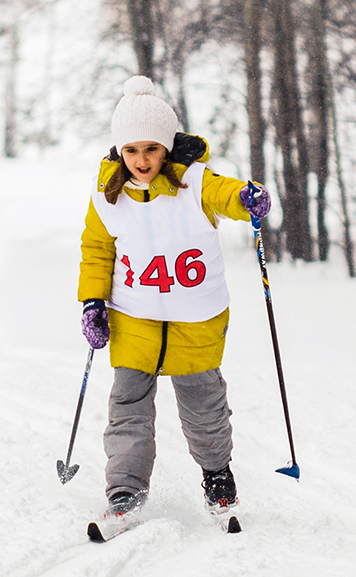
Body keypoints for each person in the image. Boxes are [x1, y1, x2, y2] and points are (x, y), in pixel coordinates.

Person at [77, 75, 271, 518]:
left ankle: (217, 474)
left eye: (151, 148)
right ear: (119, 151)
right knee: (127, 406)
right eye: (131, 150)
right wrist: (93, 302)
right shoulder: (107, 194)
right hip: (133, 313)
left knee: (203, 404)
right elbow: (97, 249)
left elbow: (224, 193)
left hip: (195, 315)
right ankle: (125, 489)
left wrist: (246, 198)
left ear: (166, 147)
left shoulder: (194, 181)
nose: (141, 160)